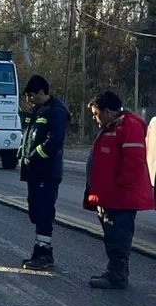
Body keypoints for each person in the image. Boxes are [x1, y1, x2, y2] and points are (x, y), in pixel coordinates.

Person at [82, 90, 155, 289]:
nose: (95, 119)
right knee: (112, 235)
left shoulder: (128, 126)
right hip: (111, 195)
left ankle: (117, 275)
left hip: (120, 197)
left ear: (107, 111)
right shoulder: (112, 126)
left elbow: (133, 162)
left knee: (118, 236)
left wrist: (120, 185)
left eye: (97, 114)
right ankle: (115, 272)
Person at [18, 75, 70, 271]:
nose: (29, 100)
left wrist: (34, 156)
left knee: (43, 211)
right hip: (35, 172)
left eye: (31, 96)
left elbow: (53, 142)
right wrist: (22, 152)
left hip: (46, 172)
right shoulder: (38, 110)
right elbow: (31, 135)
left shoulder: (56, 111)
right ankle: (43, 251)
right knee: (35, 210)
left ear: (41, 92)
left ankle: (42, 253)